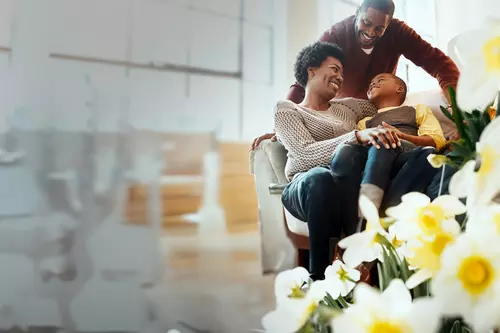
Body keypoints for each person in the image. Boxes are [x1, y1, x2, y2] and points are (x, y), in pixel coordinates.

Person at [250, 0, 459, 150]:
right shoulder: (335, 35)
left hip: (379, 108)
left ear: (389, 24)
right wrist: (281, 127)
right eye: (366, 23)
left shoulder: (399, 32)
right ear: (358, 12)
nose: (370, 32)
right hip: (346, 112)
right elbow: (304, 82)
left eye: (380, 28)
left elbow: (440, 64)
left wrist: (456, 108)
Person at [276, 41, 403, 279]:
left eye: (342, 73)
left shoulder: (349, 108)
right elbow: (304, 154)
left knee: (353, 155)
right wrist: (356, 136)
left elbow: (388, 105)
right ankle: (319, 278)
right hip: (305, 187)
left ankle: (355, 257)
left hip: (346, 186)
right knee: (320, 176)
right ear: (311, 70)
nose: (340, 77)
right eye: (335, 69)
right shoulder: (287, 109)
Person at [351, 73, 447, 210]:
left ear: (399, 89)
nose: (372, 84)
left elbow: (436, 140)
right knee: (383, 140)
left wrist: (402, 136)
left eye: (380, 80)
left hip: (409, 156)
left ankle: (384, 211)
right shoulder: (364, 123)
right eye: (371, 83)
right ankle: (374, 209)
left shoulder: (417, 110)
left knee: (429, 154)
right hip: (378, 160)